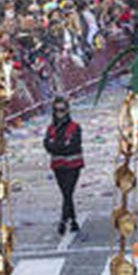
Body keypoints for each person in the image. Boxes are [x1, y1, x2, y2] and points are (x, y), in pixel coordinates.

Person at [44, 96, 84, 235]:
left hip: (73, 165)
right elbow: (47, 145)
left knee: (68, 192)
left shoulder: (75, 127)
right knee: (66, 194)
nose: (59, 113)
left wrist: (57, 146)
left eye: (61, 110)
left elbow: (74, 145)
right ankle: (73, 220)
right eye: (56, 110)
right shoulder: (51, 128)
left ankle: (63, 221)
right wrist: (61, 146)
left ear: (67, 111)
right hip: (58, 166)